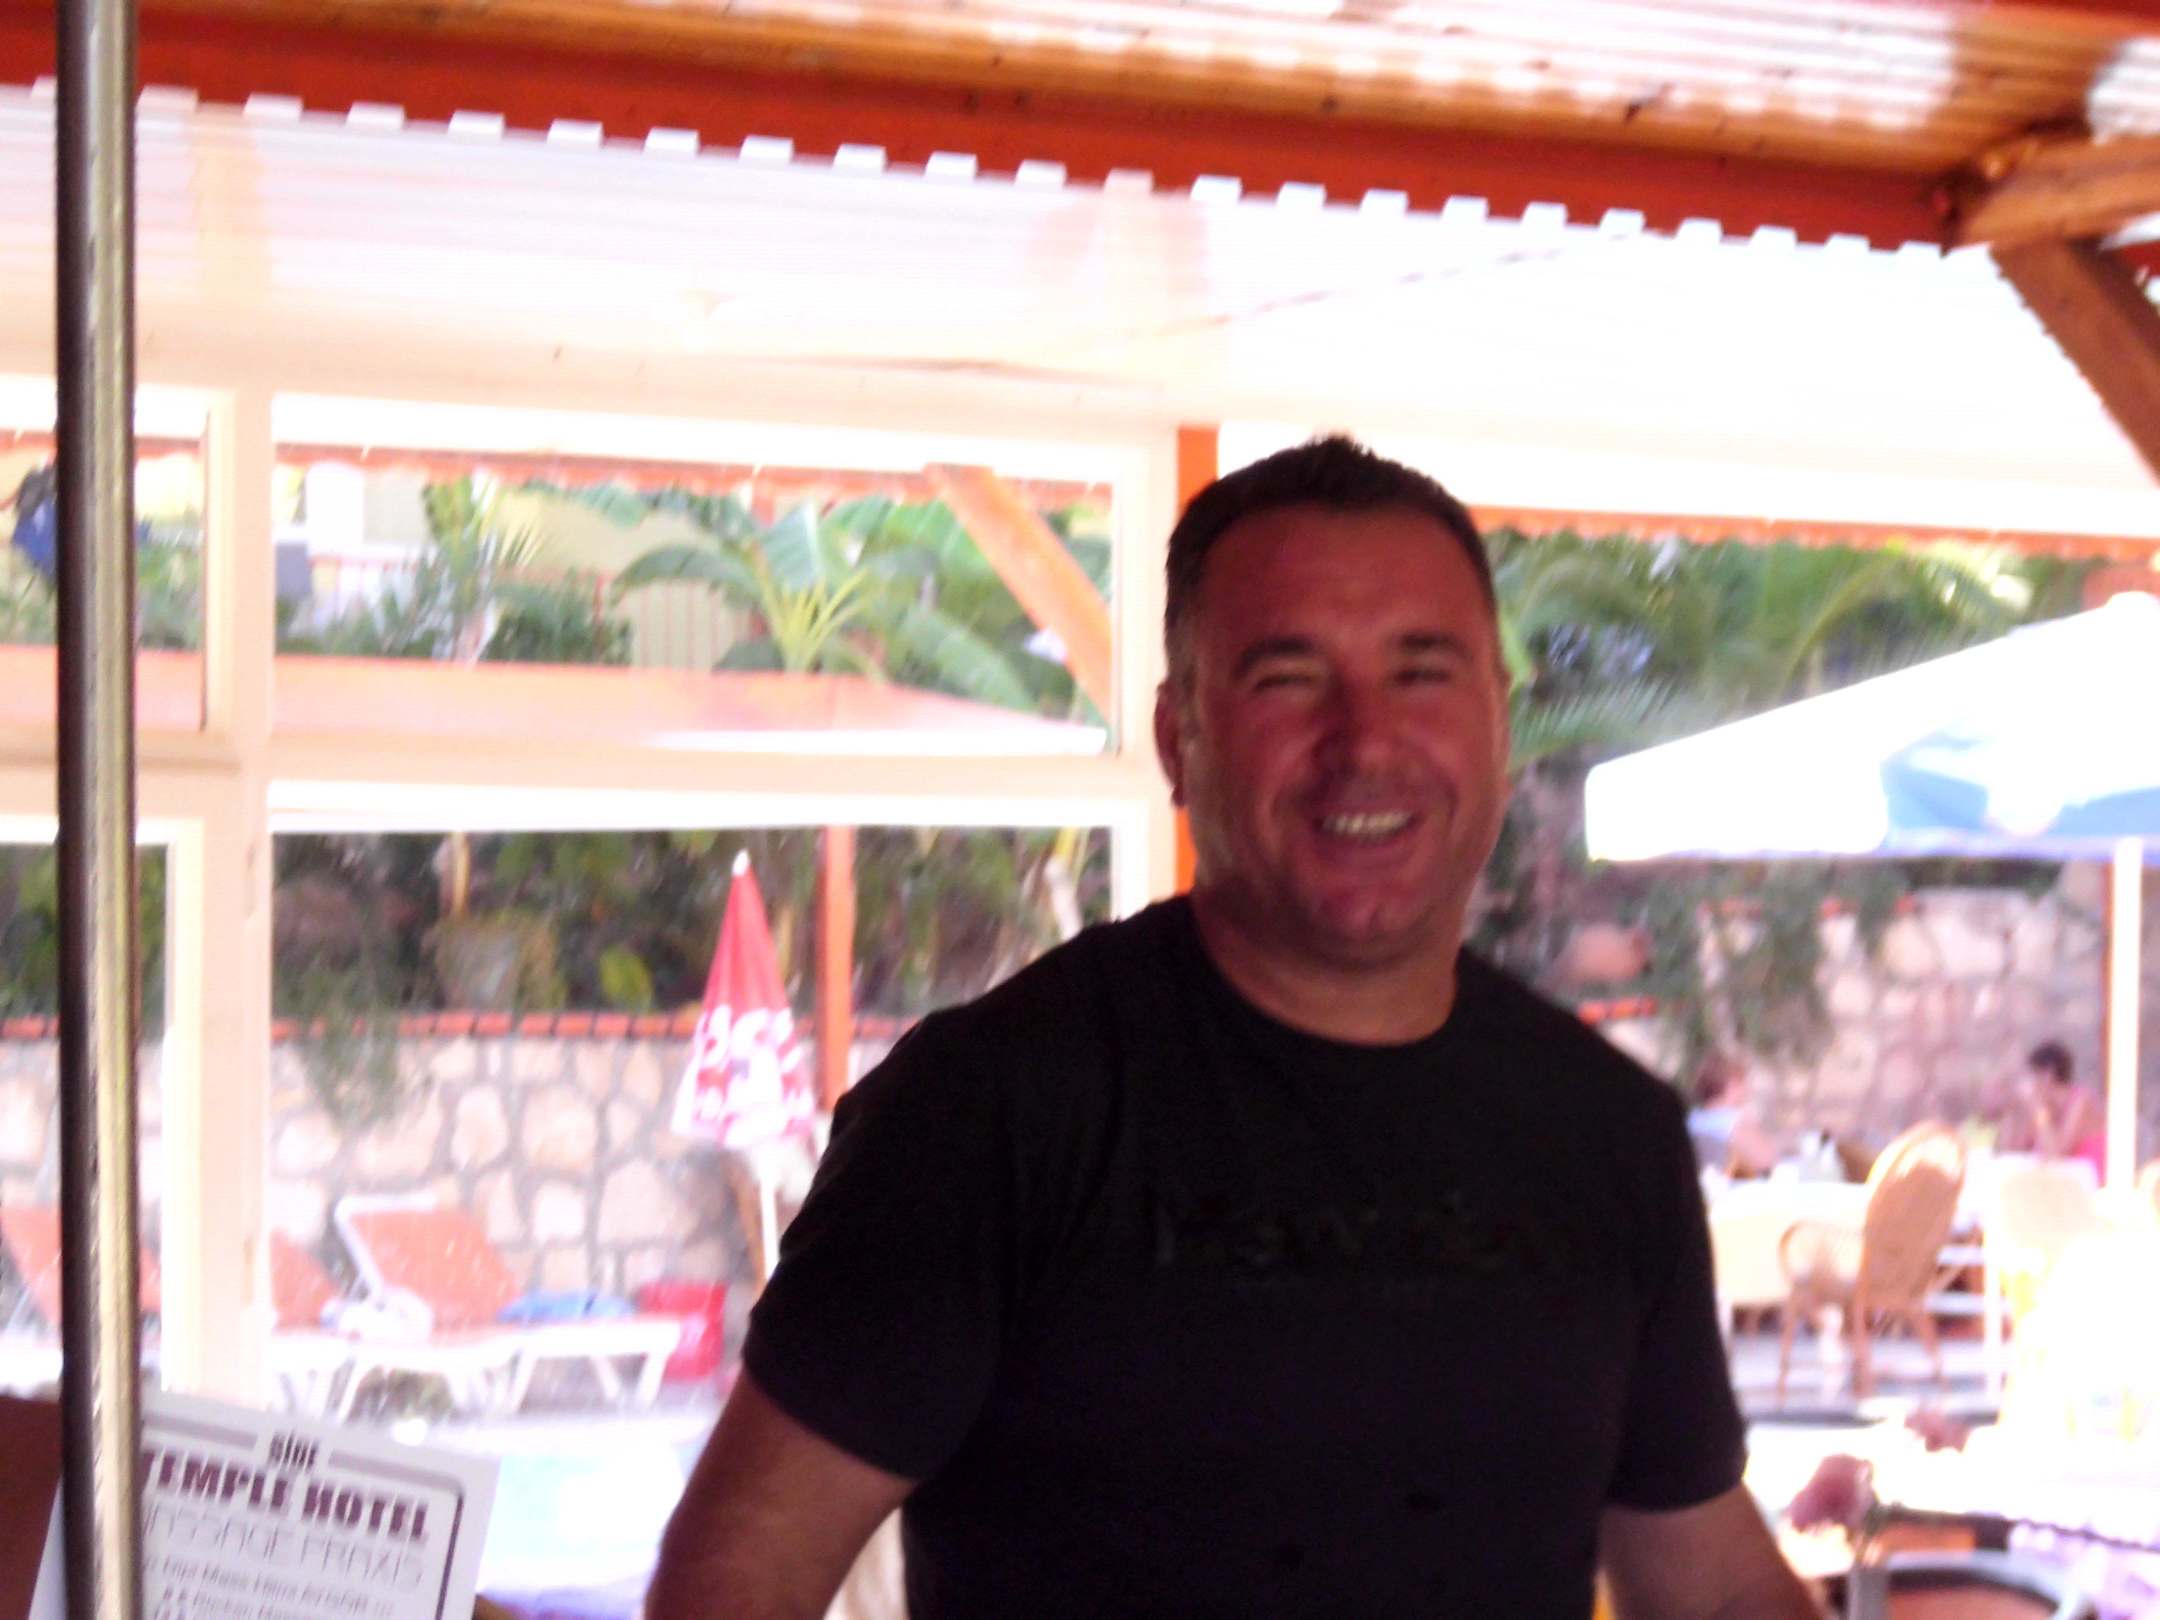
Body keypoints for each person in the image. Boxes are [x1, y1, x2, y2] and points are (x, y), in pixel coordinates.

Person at [646, 438, 1819, 1619]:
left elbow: (1712, 1586)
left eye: (1422, 673)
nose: (1365, 741)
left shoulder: (1608, 1132)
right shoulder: (990, 1111)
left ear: (1499, 727)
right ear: (1178, 741)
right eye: (1287, 679)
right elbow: (736, 1580)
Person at [1686, 1052, 1781, 1179]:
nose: (1748, 1089)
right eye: (1744, 1082)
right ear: (1733, 1084)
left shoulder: (1692, 1119)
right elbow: (1768, 1162)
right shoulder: (1735, 1121)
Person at [2022, 1039, 2105, 1180]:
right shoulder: (2047, 1105)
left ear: (2047, 1075)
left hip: (2091, 1176)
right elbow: (2026, 1146)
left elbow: (2057, 1155)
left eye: (2033, 1075)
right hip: (2067, 1175)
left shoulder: (2080, 1101)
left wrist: (2038, 1109)